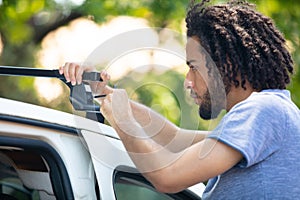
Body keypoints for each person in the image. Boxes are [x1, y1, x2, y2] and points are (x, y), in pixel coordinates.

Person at [59, 0, 300, 199]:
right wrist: (105, 94)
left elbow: (168, 176)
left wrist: (122, 119)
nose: (188, 80)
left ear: (226, 64)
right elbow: (173, 139)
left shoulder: (263, 110)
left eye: (193, 67)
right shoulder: (270, 115)